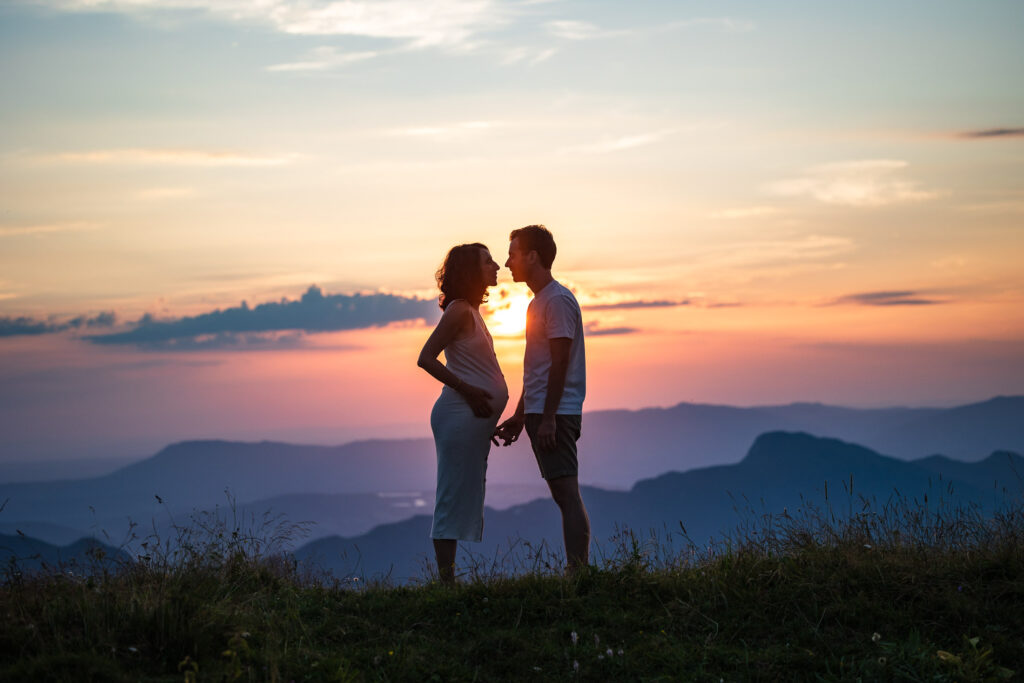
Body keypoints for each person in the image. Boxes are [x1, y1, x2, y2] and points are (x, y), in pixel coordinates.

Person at [494, 225, 591, 573]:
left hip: (557, 414)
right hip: (543, 412)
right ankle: (576, 571)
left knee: (566, 494)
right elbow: (537, 367)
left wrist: (548, 417)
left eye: (513, 254)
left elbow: (561, 361)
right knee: (561, 493)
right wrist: (522, 414)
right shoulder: (538, 303)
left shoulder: (558, 301)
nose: (507, 263)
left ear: (532, 256)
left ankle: (577, 573)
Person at [417, 243, 508, 584]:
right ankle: (446, 585)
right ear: (472, 270)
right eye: (488, 262)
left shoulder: (471, 311)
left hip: (470, 419)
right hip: (457, 415)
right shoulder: (458, 310)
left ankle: (448, 583)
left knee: (460, 494)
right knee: (452, 495)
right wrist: (469, 392)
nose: (496, 265)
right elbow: (425, 358)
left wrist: (488, 421)